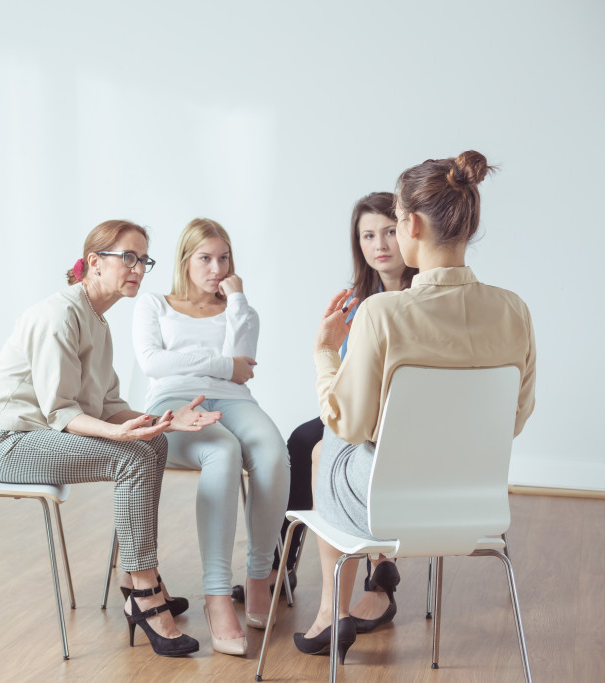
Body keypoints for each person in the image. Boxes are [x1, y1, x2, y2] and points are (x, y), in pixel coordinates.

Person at [294, 151, 536, 662]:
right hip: (474, 505)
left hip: (387, 506)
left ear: (411, 224)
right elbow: (514, 417)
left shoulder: (381, 313)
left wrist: (322, 353)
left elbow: (346, 420)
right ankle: (366, 594)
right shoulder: (514, 310)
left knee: (327, 440)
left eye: (395, 223)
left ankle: (330, 612)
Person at [0, 219, 219, 658]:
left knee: (153, 444)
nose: (138, 268)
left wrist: (161, 420)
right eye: (128, 257)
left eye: (144, 260)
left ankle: (130, 579)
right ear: (94, 262)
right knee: (134, 457)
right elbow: (61, 412)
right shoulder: (61, 314)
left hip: (38, 434)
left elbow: (107, 404)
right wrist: (120, 434)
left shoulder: (98, 322)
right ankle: (144, 589)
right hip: (5, 441)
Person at [132, 218, 290, 656]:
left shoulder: (240, 308)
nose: (215, 267)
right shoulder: (154, 304)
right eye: (205, 258)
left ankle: (258, 575)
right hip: (173, 405)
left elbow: (245, 358)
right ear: (185, 260)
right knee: (223, 450)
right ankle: (217, 597)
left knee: (273, 453)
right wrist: (219, 364)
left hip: (235, 401)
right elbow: (152, 363)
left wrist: (237, 299)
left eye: (223, 258)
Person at [278, 192, 418, 633]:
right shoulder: (355, 300)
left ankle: (376, 569)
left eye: (390, 232)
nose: (380, 245)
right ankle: (282, 562)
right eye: (367, 235)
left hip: (398, 417)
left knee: (332, 449)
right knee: (301, 441)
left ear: (410, 231)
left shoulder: (423, 297)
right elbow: (343, 386)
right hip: (359, 406)